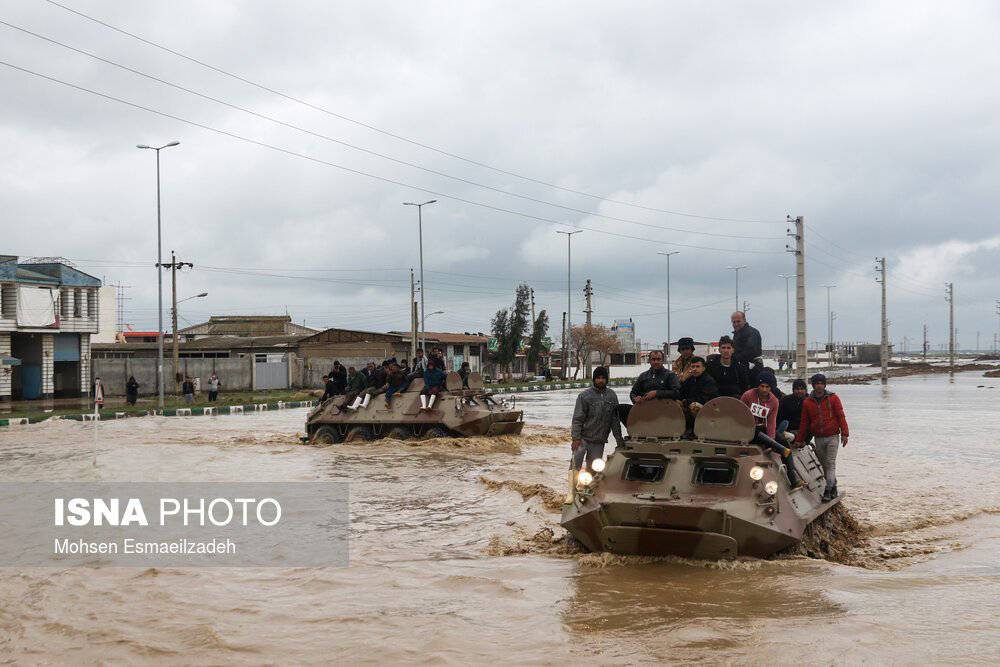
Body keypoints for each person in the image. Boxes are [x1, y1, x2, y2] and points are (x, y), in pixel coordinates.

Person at [567, 366, 625, 503]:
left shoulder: (612, 396)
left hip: (599, 441)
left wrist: (619, 440)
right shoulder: (584, 396)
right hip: (582, 438)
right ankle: (571, 493)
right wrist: (575, 438)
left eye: (603, 378)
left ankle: (587, 491)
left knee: (594, 468)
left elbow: (615, 421)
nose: (600, 380)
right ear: (594, 379)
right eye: (598, 378)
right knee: (575, 465)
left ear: (606, 379)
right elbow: (577, 418)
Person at [741, 369, 803, 488]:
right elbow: (740, 413)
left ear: (771, 387)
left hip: (764, 430)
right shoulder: (748, 395)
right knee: (756, 431)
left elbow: (771, 422)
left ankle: (793, 479)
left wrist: (771, 440)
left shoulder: (774, 401)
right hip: (747, 429)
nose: (764, 390)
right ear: (757, 386)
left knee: (785, 448)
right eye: (762, 386)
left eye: (767, 387)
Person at [796, 373, 849, 501]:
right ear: (813, 385)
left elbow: (841, 416)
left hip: (833, 437)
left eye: (821, 383)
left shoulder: (833, 398)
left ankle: (828, 490)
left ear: (824, 384)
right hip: (818, 438)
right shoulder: (807, 402)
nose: (819, 385)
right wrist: (799, 439)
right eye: (816, 383)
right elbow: (804, 422)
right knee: (824, 464)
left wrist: (845, 434)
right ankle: (834, 486)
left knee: (830, 463)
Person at [621, 350, 680, 424]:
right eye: (653, 359)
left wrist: (657, 393)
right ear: (649, 360)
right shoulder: (643, 376)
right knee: (621, 408)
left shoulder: (670, 375)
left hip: (666, 412)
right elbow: (633, 393)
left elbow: (677, 393)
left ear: (662, 360)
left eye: (658, 359)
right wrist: (635, 399)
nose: (656, 362)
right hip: (646, 411)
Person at [679, 357, 718, 432]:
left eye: (697, 366)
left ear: (703, 368)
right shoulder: (690, 379)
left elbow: (704, 399)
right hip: (689, 404)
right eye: (693, 366)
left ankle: (698, 430)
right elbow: (681, 392)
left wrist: (685, 402)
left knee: (695, 406)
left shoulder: (708, 381)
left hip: (707, 408)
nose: (695, 369)